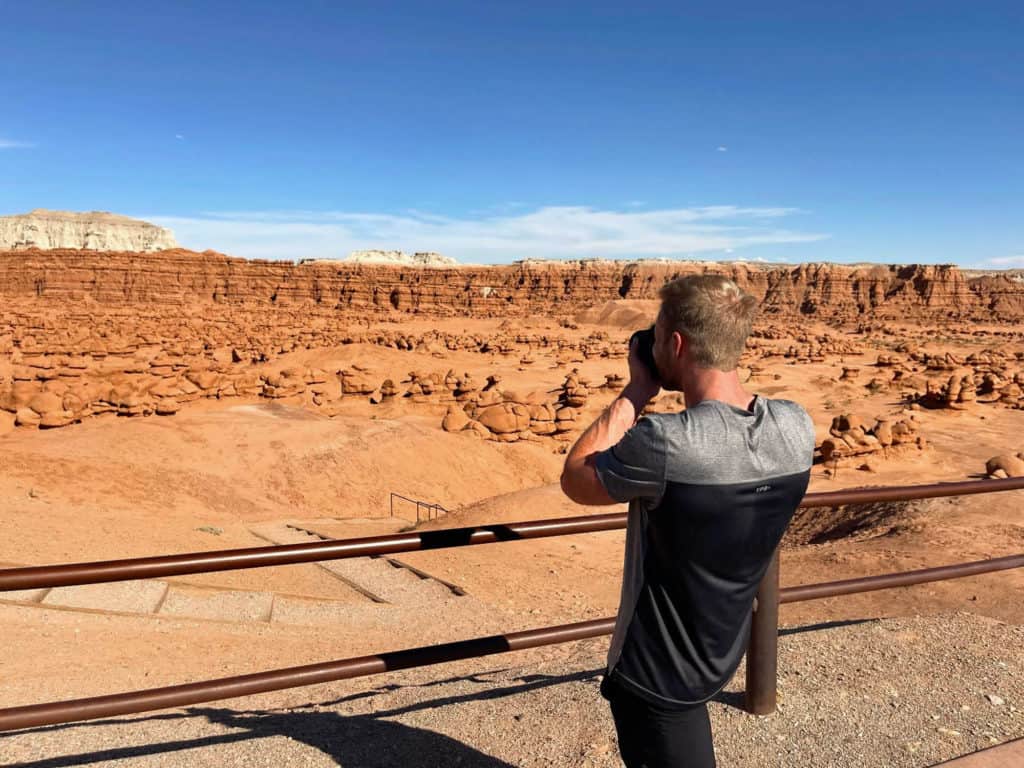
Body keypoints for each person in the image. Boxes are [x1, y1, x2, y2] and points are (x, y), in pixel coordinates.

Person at [560, 275, 815, 768]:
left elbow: (576, 478)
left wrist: (638, 389)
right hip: (722, 652)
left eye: (657, 337)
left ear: (676, 345)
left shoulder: (666, 443)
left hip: (653, 674)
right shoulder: (795, 426)